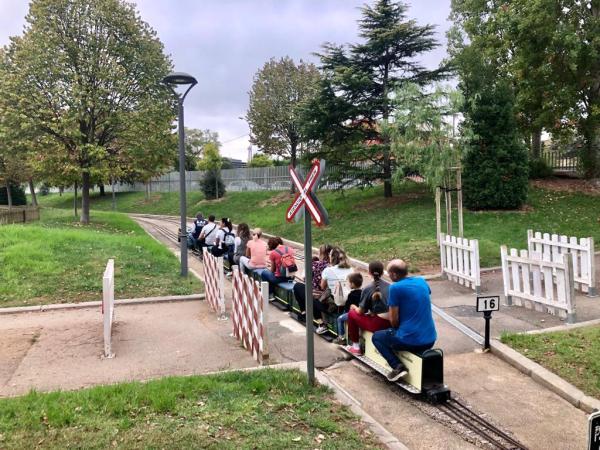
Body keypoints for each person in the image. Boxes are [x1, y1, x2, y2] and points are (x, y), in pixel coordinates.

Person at [372, 259, 437, 382]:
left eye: (389, 273)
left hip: (410, 340)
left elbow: (394, 320)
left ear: (394, 274)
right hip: (430, 339)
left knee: (377, 337)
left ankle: (397, 366)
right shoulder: (421, 281)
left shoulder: (395, 288)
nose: (389, 276)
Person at [345, 261, 391, 355]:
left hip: (378, 324)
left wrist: (354, 307)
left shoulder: (368, 288)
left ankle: (356, 346)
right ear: (382, 272)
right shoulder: (390, 286)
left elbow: (361, 311)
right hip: (391, 322)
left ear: (369, 272)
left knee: (352, 313)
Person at [314, 247, 353, 334]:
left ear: (332, 257)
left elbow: (322, 286)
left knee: (315, 299)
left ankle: (323, 324)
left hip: (334, 303)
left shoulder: (328, 270)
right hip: (347, 301)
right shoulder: (350, 269)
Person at [292, 244, 333, 322]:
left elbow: (306, 279)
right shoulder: (334, 266)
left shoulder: (317, 265)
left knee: (297, 286)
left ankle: (304, 312)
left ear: (321, 254)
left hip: (319, 296)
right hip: (330, 297)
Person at [334, 272, 363, 344]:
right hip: (359, 311)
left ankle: (341, 337)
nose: (348, 284)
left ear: (352, 284)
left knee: (340, 318)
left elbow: (347, 306)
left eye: (349, 283)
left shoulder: (352, 294)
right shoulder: (362, 292)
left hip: (352, 313)